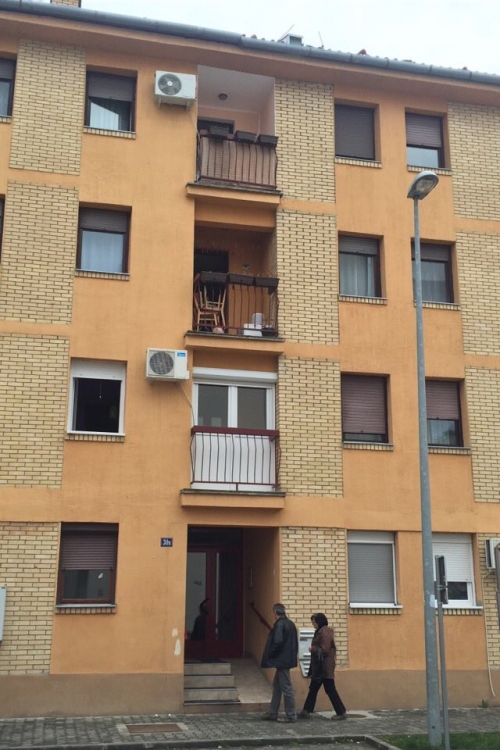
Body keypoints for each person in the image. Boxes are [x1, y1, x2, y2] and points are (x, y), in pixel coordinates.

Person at [298, 612, 347, 721]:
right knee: (314, 688)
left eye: (314, 622)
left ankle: (341, 712)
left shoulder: (324, 632)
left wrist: (313, 649)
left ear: (319, 622)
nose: (313, 624)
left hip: (324, 666)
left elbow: (325, 649)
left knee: (329, 689)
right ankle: (306, 711)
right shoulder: (320, 631)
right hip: (320, 666)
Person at [260, 602, 299, 723]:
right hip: (287, 659)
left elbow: (277, 642)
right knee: (277, 686)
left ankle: (291, 715)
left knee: (286, 687)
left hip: (282, 660)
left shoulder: (280, 624)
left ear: (275, 612)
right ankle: (272, 712)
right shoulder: (290, 624)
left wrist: (270, 654)